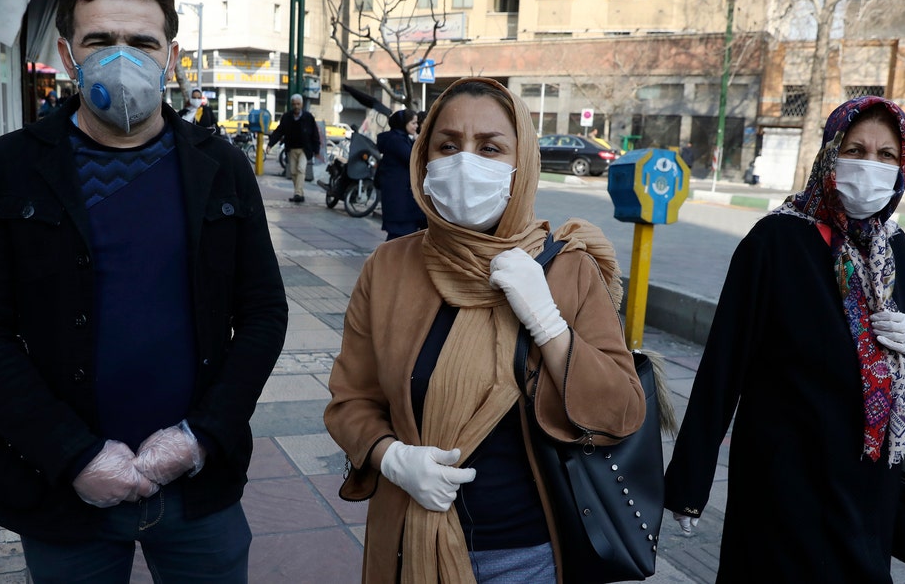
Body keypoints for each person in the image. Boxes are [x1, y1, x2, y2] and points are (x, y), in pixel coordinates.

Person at [0, 0, 288, 583]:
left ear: (171, 55)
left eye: (143, 41)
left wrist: (199, 436)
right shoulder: (8, 169)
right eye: (100, 39)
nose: (122, 57)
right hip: (63, 490)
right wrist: (73, 454)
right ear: (68, 52)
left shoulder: (223, 168)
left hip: (198, 484)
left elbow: (264, 313)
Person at [324, 77, 646, 582]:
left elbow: (620, 411)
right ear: (423, 158)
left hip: (528, 556)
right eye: (447, 146)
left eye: (489, 148)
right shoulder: (388, 268)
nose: (464, 163)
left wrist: (548, 323)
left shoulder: (566, 271)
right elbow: (350, 399)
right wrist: (391, 458)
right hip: (407, 544)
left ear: (522, 164)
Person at [663, 96, 905, 582]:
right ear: (830, 153)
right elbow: (723, 369)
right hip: (785, 488)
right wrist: (690, 482)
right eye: (856, 149)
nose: (870, 165)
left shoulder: (896, 250)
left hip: (868, 492)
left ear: (903, 167)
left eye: (886, 155)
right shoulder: (775, 243)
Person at [375, 108, 427, 240]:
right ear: (403, 123)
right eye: (413, 123)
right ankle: (388, 260)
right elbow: (413, 160)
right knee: (399, 235)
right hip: (398, 197)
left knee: (402, 235)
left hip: (400, 196)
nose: (416, 126)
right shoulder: (396, 140)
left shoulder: (401, 138)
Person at [275, 93, 321, 202]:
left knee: (301, 169)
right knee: (293, 172)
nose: (296, 106)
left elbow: (315, 134)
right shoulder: (287, 117)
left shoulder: (308, 117)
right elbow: (279, 131)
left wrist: (316, 149)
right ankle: (299, 192)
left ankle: (298, 193)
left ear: (302, 104)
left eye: (298, 104)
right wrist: (270, 144)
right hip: (291, 149)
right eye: (294, 104)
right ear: (291, 105)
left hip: (304, 149)